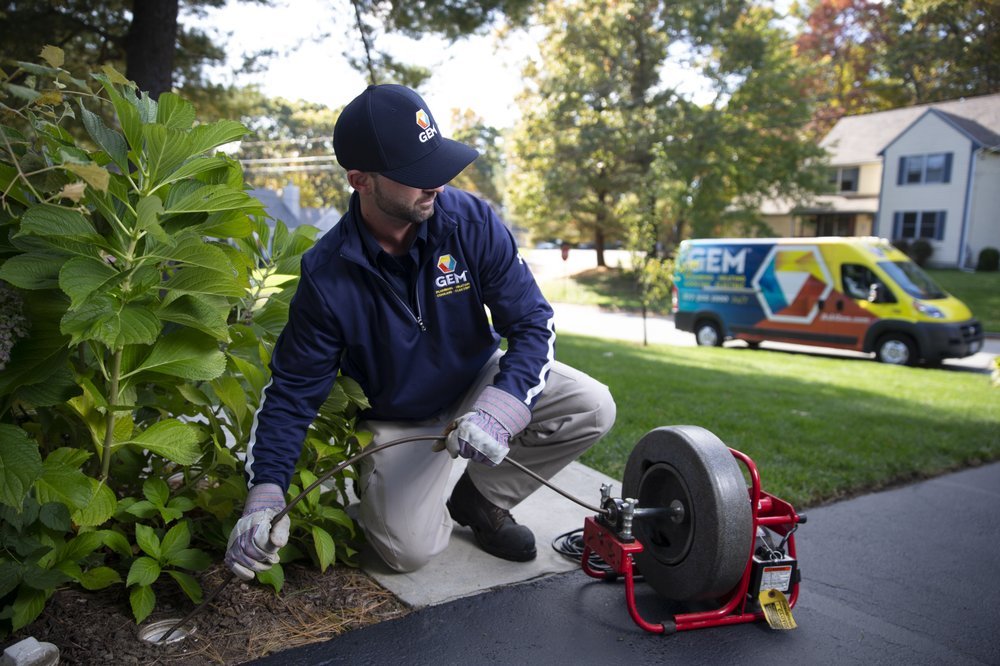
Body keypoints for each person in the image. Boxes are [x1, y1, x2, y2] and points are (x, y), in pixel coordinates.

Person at [225, 84, 616, 579]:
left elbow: (533, 323)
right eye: (415, 175)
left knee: (591, 404)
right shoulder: (326, 275)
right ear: (360, 180)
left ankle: (481, 500)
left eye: (436, 163)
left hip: (478, 383)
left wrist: (501, 409)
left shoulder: (470, 221)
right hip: (401, 419)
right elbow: (291, 394)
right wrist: (264, 495)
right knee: (407, 553)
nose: (435, 184)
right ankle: (396, 488)